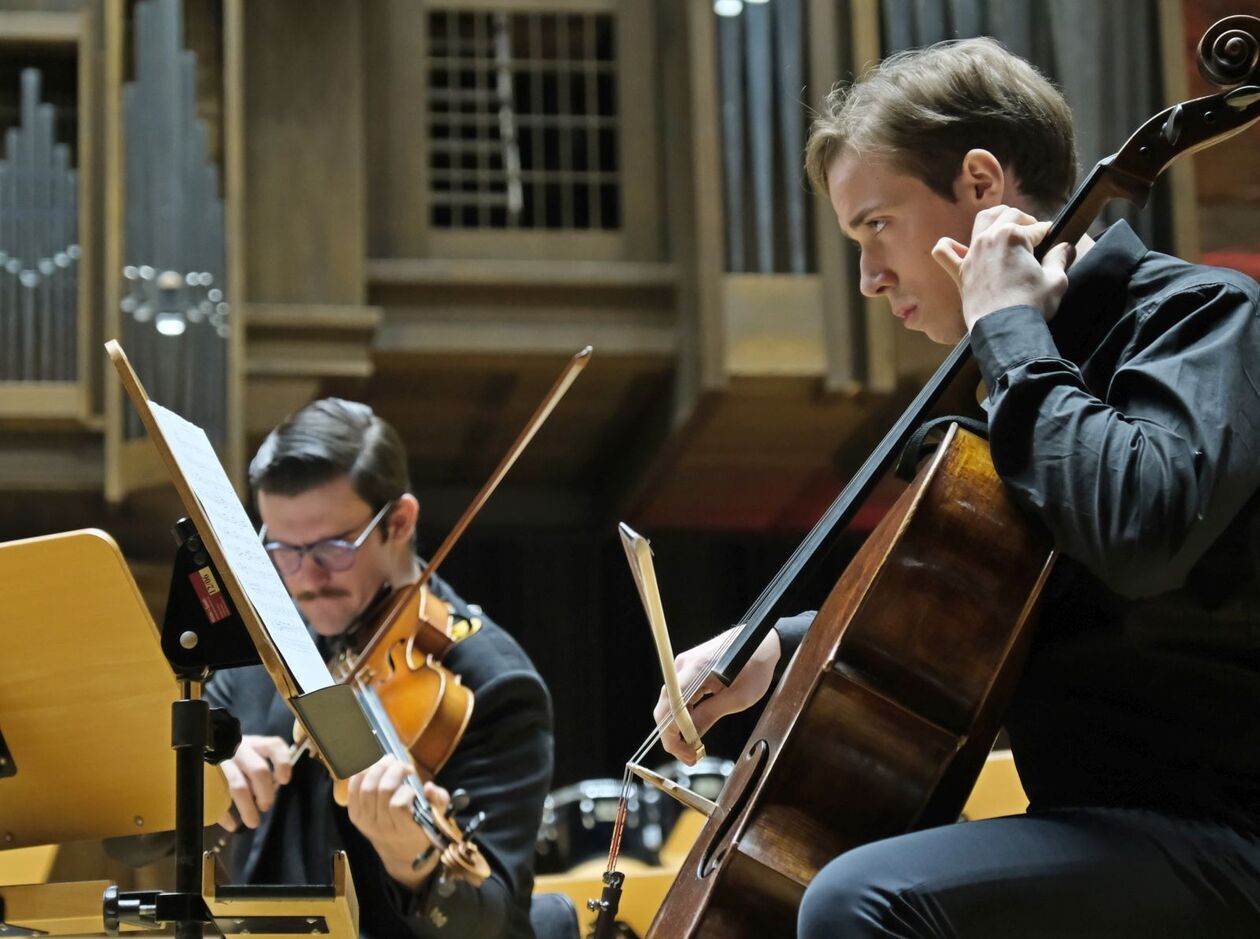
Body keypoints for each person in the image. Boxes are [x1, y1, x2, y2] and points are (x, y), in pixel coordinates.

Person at [656, 37, 1260, 937]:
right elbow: (964, 612)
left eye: (874, 228)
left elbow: (1139, 527)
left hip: (1219, 829)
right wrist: (776, 648)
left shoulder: (1197, 319)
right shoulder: (1017, 387)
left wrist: (1009, 329)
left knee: (863, 901)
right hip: (1100, 828)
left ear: (981, 185)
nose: (866, 277)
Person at [207, 398, 553, 938]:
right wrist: (201, 775)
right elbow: (135, 837)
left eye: (333, 547)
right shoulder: (262, 644)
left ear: (399, 521)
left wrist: (410, 856)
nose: (304, 578)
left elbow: (497, 926)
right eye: (282, 549)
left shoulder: (491, 684)